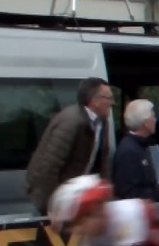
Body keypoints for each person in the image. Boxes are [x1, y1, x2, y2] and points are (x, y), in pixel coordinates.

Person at [26, 77, 115, 214]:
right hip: (54, 199)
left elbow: (102, 163)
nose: (112, 103)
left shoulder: (102, 123)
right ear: (94, 100)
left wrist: (105, 196)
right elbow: (48, 166)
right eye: (108, 98)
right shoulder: (71, 122)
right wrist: (51, 206)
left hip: (74, 197)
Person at [112, 99, 159, 205]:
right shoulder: (129, 151)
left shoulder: (142, 146)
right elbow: (129, 193)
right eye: (153, 117)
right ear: (145, 123)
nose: (155, 120)